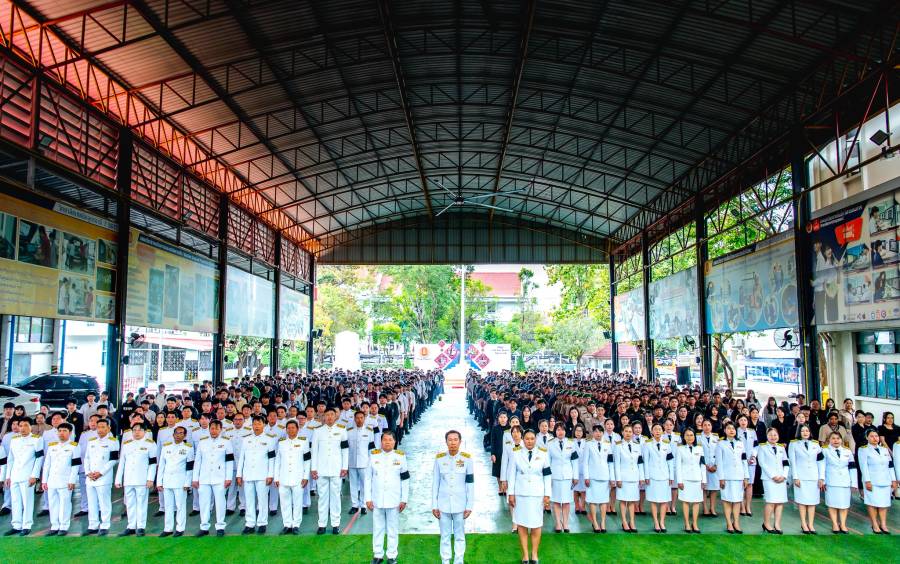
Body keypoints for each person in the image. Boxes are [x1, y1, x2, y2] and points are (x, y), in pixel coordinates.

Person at [507, 429, 551, 564]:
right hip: (521, 494)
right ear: (523, 439)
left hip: (537, 494)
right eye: (527, 439)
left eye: (532, 438)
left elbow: (547, 475)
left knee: (537, 525)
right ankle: (525, 555)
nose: (530, 441)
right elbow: (512, 475)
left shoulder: (543, 453)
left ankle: (534, 554)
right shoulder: (516, 453)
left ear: (535, 439)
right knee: (521, 524)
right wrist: (511, 493)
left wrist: (547, 494)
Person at [365, 430, 409, 564]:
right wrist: (368, 498)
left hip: (394, 499)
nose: (387, 442)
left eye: (390, 440)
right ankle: (377, 555)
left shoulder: (400, 456)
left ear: (395, 442)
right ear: (381, 441)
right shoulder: (373, 456)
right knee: (378, 528)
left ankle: (392, 555)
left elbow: (405, 479)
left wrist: (404, 499)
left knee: (392, 529)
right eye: (385, 440)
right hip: (377, 499)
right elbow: (368, 478)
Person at [432, 430, 474, 564]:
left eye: (456, 440)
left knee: (459, 535)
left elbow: (470, 483)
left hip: (460, 503)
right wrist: (434, 504)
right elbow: (435, 483)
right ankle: (445, 560)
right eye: (450, 440)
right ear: (446, 442)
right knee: (444, 535)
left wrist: (469, 505)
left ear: (460, 442)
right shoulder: (439, 458)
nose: (453, 443)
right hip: (443, 503)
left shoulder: (467, 459)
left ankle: (458, 560)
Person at [311, 407, 349, 534]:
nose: (329, 417)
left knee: (335, 497)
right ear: (323, 417)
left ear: (335, 416)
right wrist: (313, 468)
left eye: (332, 415)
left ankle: (335, 524)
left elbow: (345, 450)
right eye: (327, 415)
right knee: (322, 497)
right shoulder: (317, 431)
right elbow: (314, 451)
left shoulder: (342, 430)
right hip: (321, 469)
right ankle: (321, 524)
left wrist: (344, 467)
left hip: (336, 469)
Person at [193, 419, 234, 536]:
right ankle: (204, 526)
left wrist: (228, 478)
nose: (214, 430)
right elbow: (197, 461)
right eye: (212, 428)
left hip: (220, 477)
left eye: (216, 428)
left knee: (220, 502)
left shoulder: (226, 442)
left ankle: (220, 526)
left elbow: (230, 461)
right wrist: (195, 478)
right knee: (204, 502)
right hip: (204, 477)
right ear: (209, 429)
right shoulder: (203, 442)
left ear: (221, 429)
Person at [114, 422, 156, 536]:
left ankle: (141, 527)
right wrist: (118, 479)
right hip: (128, 479)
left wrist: (150, 479)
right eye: (134, 430)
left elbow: (152, 464)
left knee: (141, 503)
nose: (136, 432)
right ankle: (131, 526)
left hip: (142, 479)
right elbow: (122, 462)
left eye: (139, 430)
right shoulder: (127, 444)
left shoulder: (150, 444)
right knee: (130, 504)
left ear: (145, 432)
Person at [236, 415, 276, 534]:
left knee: (263, 500)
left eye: (259, 424)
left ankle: (262, 523)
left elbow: (271, 459)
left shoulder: (270, 439)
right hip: (248, 474)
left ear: (264, 425)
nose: (257, 426)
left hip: (262, 475)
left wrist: (270, 475)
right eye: (255, 424)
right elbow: (241, 458)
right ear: (252, 425)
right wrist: (239, 474)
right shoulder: (246, 439)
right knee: (249, 500)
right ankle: (250, 523)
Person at [4, 418, 43, 536]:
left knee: (27, 501)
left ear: (31, 427)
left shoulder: (37, 439)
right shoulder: (14, 440)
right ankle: (16, 525)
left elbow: (39, 458)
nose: (23, 428)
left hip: (27, 475)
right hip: (15, 474)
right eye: (20, 426)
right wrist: (8, 476)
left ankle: (27, 525)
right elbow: (10, 459)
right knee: (15, 501)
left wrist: (34, 476)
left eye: (26, 425)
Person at [40, 422, 79, 536]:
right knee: (53, 504)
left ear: (70, 433)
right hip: (52, 480)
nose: (61, 433)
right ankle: (54, 526)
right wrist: (44, 481)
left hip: (65, 481)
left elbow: (75, 466)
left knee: (65, 504)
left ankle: (64, 526)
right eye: (60, 431)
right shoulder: (52, 446)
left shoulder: (74, 446)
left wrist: (72, 480)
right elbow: (47, 465)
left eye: (64, 431)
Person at [273, 419, 310, 535]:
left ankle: (296, 525)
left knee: (297, 502)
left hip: (298, 477)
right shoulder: (281, 442)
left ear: (297, 429)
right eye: (288, 428)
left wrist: (305, 476)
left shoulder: (304, 441)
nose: (290, 430)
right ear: (286, 430)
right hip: (283, 477)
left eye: (293, 428)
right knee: (284, 503)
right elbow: (277, 461)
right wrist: (276, 478)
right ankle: (287, 524)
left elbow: (307, 460)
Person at [83, 418, 119, 535]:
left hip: (103, 477)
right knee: (92, 502)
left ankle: (105, 524)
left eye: (103, 427)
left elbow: (113, 460)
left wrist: (100, 473)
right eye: (98, 427)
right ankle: (92, 525)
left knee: (104, 502)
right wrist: (88, 471)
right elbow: (87, 458)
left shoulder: (113, 441)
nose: (100, 430)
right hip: (90, 477)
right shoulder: (92, 441)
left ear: (108, 428)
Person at [858, 427, 897, 534]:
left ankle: (883, 524)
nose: (875, 438)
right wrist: (867, 481)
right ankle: (874, 524)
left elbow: (890, 465)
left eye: (876, 436)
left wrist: (893, 479)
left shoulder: (884, 449)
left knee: (884, 503)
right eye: (872, 436)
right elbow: (863, 467)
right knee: (872, 503)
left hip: (885, 480)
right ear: (867, 437)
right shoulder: (863, 449)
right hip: (872, 480)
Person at [157, 425, 194, 537]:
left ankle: (180, 528)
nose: (178, 435)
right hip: (167, 481)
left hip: (180, 481)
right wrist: (159, 482)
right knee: (168, 506)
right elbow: (162, 466)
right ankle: (168, 528)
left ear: (185, 435)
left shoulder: (188, 448)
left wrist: (187, 483)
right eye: (176, 433)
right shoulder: (166, 447)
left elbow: (189, 468)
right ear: (173, 435)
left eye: (181, 433)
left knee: (180, 506)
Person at [789, 424, 825, 534]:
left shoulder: (815, 444)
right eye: (803, 431)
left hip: (813, 476)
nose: (805, 433)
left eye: (807, 431)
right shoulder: (793, 444)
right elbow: (792, 462)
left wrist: (821, 478)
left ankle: (811, 524)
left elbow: (820, 462)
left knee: (812, 502)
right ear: (799, 432)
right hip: (801, 476)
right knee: (802, 501)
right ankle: (804, 524)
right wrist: (795, 477)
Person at [716, 421, 748, 534]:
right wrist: (721, 478)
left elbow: (744, 460)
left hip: (739, 476)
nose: (731, 430)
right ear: (725, 430)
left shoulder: (740, 443)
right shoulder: (721, 444)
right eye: (729, 428)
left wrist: (746, 477)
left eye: (733, 428)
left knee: (737, 500)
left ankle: (736, 522)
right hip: (727, 476)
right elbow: (719, 462)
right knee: (727, 500)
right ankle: (729, 523)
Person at [582, 424, 615, 532]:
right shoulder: (588, 444)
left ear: (603, 433)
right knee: (592, 501)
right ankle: (595, 522)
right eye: (595, 431)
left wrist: (612, 478)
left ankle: (603, 522)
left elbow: (610, 462)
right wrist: (586, 477)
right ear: (593, 433)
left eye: (600, 431)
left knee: (604, 501)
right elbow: (585, 462)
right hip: (592, 477)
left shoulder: (607, 444)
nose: (598, 433)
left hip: (605, 477)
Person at [823, 430, 857, 534]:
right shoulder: (824, 450)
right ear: (829, 440)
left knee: (844, 504)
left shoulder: (847, 451)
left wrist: (854, 483)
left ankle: (843, 524)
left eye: (838, 438)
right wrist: (822, 480)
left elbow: (852, 467)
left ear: (841, 440)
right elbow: (821, 466)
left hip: (845, 481)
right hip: (831, 480)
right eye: (833, 438)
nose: (836, 440)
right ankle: (834, 524)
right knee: (832, 503)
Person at [642, 422, 674, 533]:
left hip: (665, 475)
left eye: (659, 429)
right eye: (655, 429)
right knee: (654, 500)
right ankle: (656, 522)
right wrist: (646, 476)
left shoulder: (667, 444)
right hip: (652, 476)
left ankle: (662, 522)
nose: (657, 431)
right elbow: (645, 462)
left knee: (664, 500)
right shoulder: (647, 444)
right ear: (652, 431)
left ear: (662, 431)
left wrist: (671, 476)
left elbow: (670, 461)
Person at [756, 427, 788, 534]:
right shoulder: (762, 447)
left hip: (781, 478)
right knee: (771, 501)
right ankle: (766, 523)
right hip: (769, 479)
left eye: (775, 435)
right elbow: (762, 463)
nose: (773, 437)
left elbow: (786, 463)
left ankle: (777, 524)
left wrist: (784, 475)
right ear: (767, 436)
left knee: (780, 502)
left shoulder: (781, 448)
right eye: (770, 435)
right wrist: (773, 476)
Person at [547, 422, 578, 533]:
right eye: (558, 429)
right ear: (555, 431)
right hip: (555, 475)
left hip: (567, 476)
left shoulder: (571, 443)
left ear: (565, 431)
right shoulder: (550, 443)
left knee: (566, 501)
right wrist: (548, 478)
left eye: (562, 430)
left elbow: (574, 461)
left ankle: (565, 523)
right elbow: (547, 462)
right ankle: (558, 523)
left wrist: (576, 476)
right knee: (556, 500)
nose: (560, 432)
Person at [674, 428, 705, 533]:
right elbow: (677, 466)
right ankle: (687, 523)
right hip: (685, 478)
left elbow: (702, 465)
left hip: (697, 478)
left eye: (691, 435)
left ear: (694, 437)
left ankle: (695, 523)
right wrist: (679, 481)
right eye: (687, 435)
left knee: (696, 502)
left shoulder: (699, 448)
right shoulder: (680, 448)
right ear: (684, 437)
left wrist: (704, 480)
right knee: (686, 501)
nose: (689, 437)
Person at [614, 424, 644, 532]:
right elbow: (616, 463)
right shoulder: (618, 446)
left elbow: (640, 462)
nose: (628, 433)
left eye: (630, 431)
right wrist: (618, 479)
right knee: (623, 500)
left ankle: (632, 521)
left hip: (634, 477)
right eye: (626, 431)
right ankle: (624, 522)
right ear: (622, 432)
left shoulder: (637, 445)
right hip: (623, 477)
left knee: (632, 501)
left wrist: (641, 477)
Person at [347, 410, 376, 516]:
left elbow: (371, 449)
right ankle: (354, 505)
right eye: (357, 418)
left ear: (364, 419)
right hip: (352, 462)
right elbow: (347, 449)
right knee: (353, 484)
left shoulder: (369, 431)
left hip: (365, 462)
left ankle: (364, 505)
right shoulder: (349, 431)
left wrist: (371, 463)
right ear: (354, 419)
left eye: (361, 418)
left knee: (365, 484)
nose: (359, 420)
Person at [735, 414, 758, 517]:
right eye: (741, 420)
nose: (743, 421)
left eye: (745, 420)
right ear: (738, 421)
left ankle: (747, 506)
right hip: (739, 461)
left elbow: (756, 446)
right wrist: (743, 458)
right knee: (740, 483)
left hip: (751, 461)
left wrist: (753, 456)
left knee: (749, 484)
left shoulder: (752, 432)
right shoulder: (735, 431)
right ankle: (741, 506)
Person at [698, 419, 719, 517]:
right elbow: (698, 454)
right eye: (705, 425)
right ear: (702, 426)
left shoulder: (716, 437)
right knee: (704, 488)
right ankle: (705, 508)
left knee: (714, 488)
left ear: (711, 426)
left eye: (709, 425)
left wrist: (715, 465)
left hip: (714, 466)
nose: (707, 427)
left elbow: (719, 453)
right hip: (703, 466)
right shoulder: (698, 437)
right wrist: (705, 466)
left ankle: (712, 508)